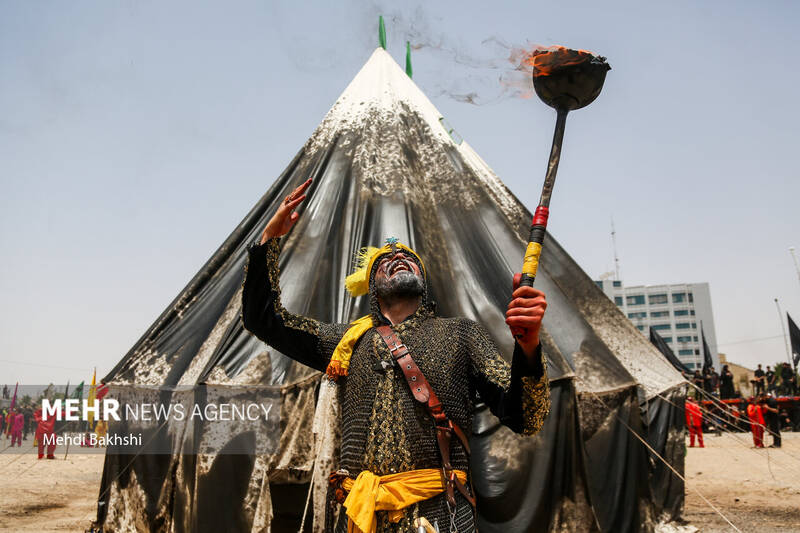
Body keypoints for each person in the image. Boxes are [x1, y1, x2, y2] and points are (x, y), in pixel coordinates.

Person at [241, 179, 551, 532]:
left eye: (408, 258)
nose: (399, 256)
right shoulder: (346, 341)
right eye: (386, 260)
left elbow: (527, 417)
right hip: (364, 518)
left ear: (423, 280)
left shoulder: (461, 334)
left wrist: (529, 347)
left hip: (440, 516)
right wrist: (269, 239)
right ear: (372, 286)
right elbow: (264, 320)